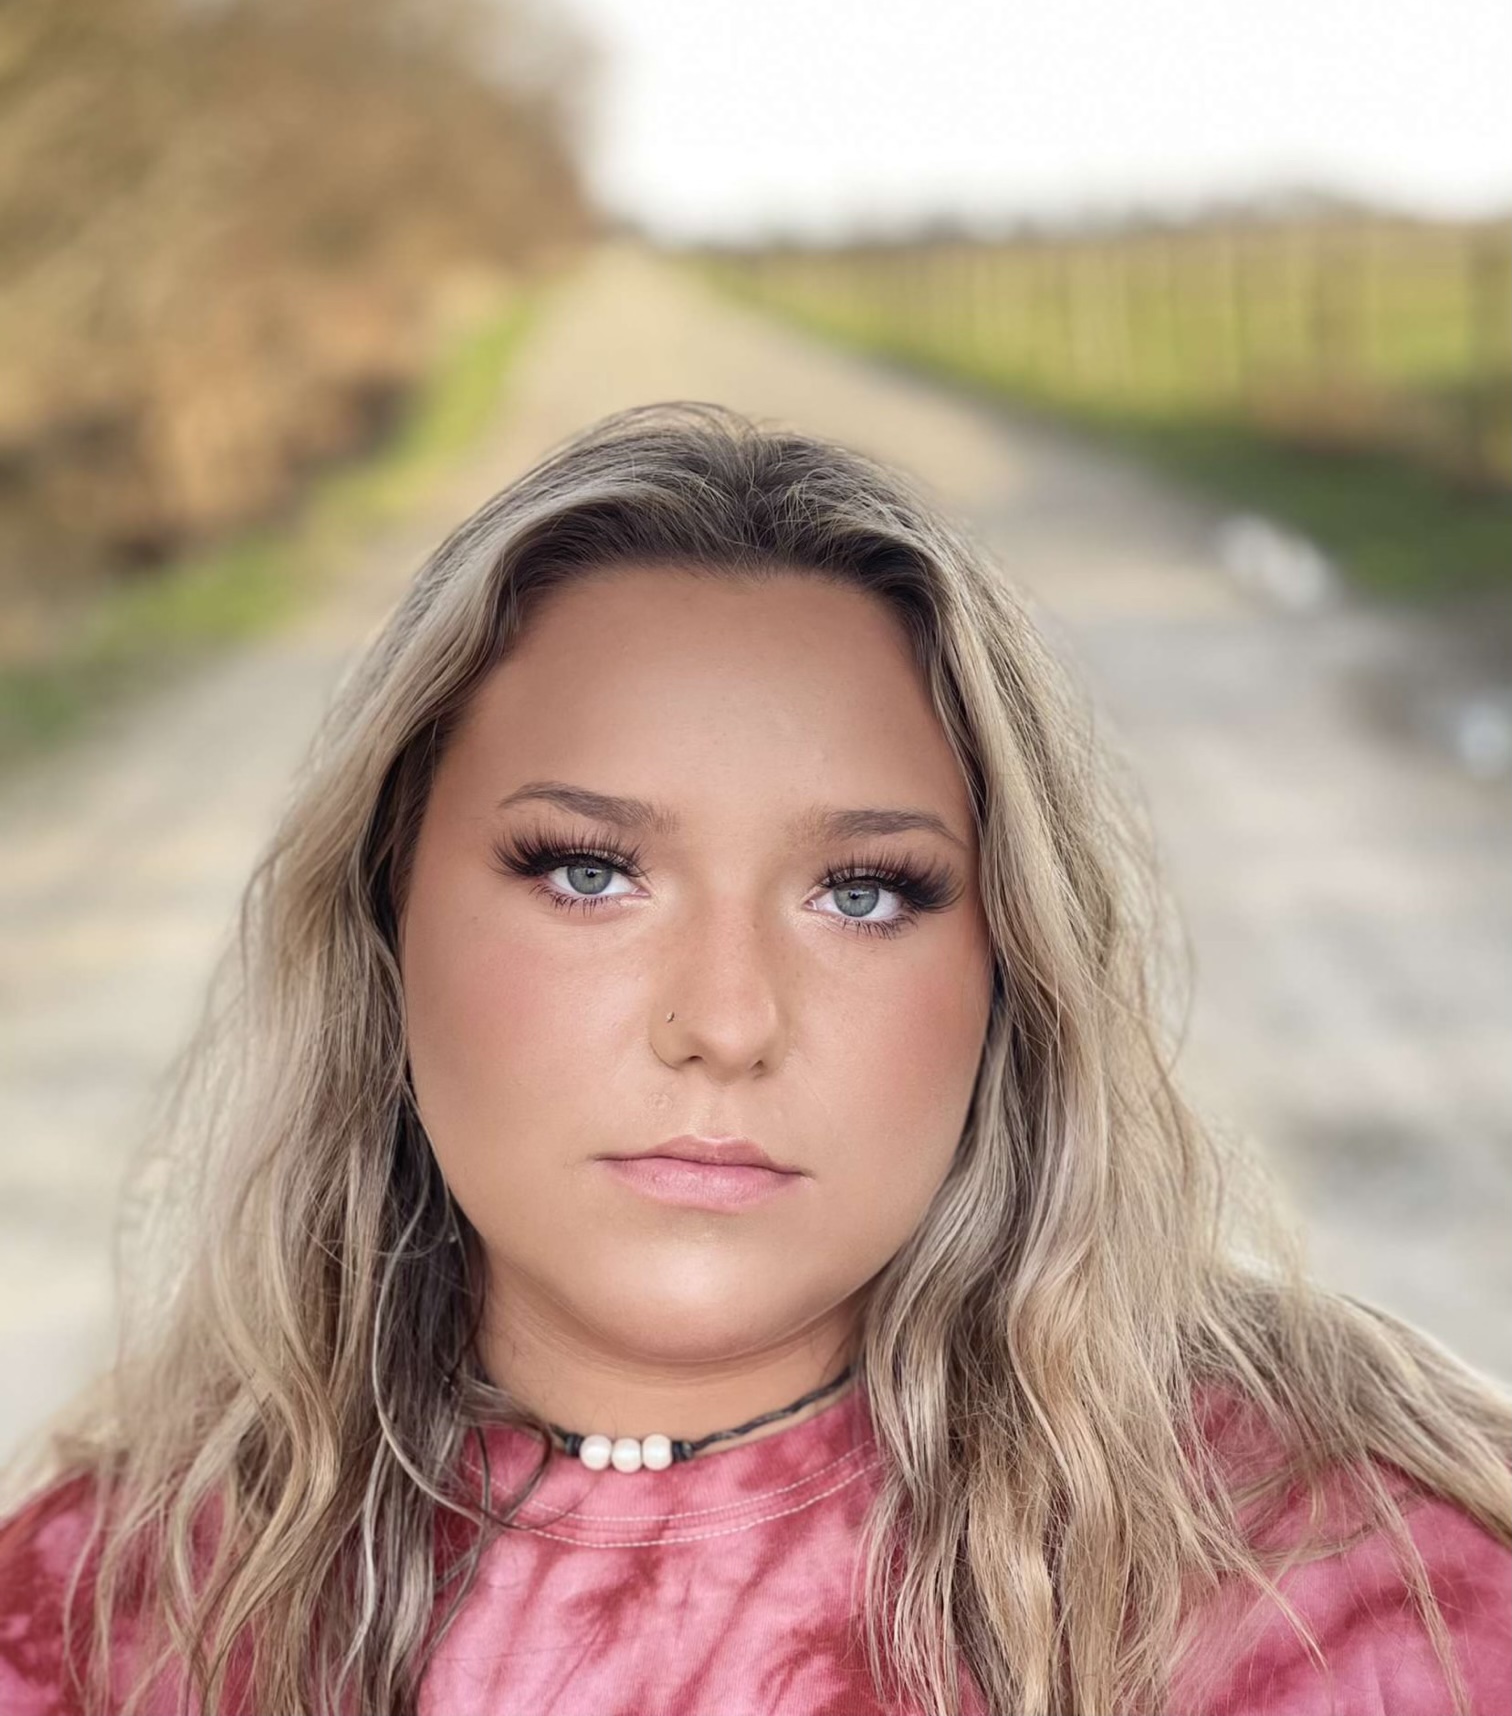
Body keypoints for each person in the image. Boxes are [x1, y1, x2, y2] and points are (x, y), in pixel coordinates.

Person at [1, 398, 1509, 1716]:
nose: (726, 1023)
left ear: (1009, 969)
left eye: (864, 895)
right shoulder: (94, 1617)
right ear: (385, 915)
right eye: (589, 872)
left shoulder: (1370, 1589)